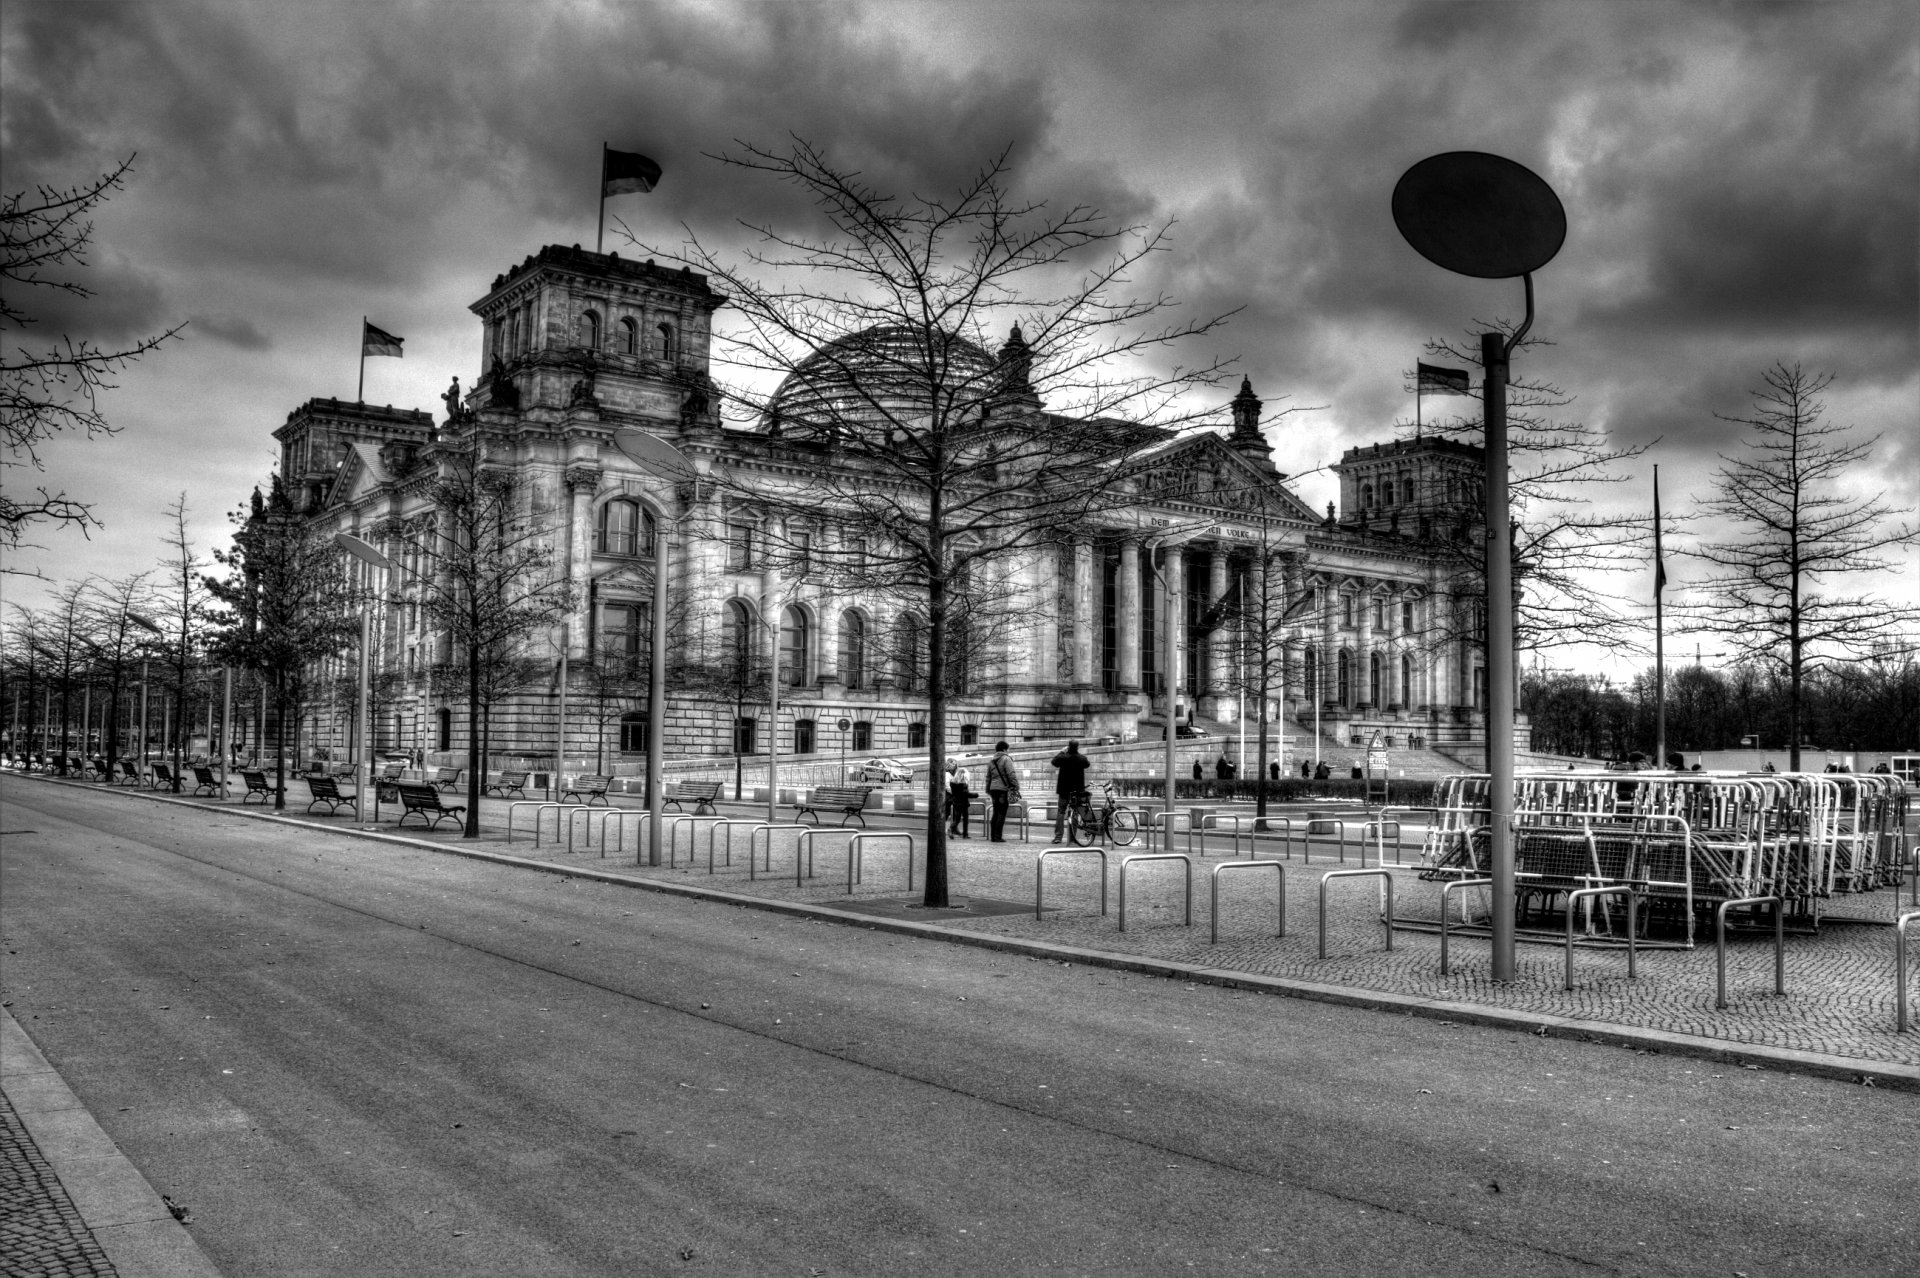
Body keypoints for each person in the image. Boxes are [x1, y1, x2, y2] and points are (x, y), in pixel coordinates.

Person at [1051, 741, 1092, 842]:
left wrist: (1061, 752)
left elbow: (1054, 762)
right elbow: (1087, 764)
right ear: (1077, 747)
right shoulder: (1082, 758)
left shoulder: (1063, 757)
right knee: (1075, 813)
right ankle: (1072, 837)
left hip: (1064, 791)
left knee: (1061, 812)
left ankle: (1058, 837)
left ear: (1068, 747)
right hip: (1077, 792)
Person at [985, 741, 1020, 842]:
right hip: (1002, 789)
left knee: (996, 812)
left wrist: (988, 790)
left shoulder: (991, 761)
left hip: (993, 789)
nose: (1008, 751)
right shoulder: (1006, 759)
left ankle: (993, 836)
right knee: (1001, 813)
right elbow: (1011, 774)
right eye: (1008, 749)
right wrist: (1016, 786)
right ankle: (997, 836)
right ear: (1004, 749)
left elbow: (988, 777)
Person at [947, 758, 973, 838]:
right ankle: (965, 834)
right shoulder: (963, 785)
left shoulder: (953, 784)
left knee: (957, 819)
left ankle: (951, 828)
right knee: (965, 819)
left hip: (956, 803)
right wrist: (975, 795)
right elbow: (966, 794)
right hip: (964, 803)